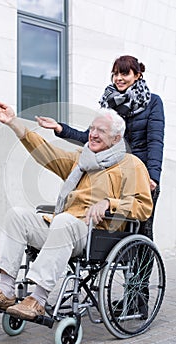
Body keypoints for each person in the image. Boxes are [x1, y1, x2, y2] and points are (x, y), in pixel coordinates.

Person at [0, 102, 153, 321]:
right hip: (62, 227)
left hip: (96, 234)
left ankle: (38, 299)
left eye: (100, 131)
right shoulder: (81, 160)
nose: (92, 134)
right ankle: (6, 291)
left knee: (64, 221)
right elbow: (47, 153)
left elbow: (143, 206)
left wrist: (110, 203)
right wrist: (14, 123)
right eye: (92, 128)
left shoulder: (131, 164)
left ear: (116, 139)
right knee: (17, 215)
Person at [36, 55, 165, 240]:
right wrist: (60, 128)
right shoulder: (109, 103)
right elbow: (88, 137)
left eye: (124, 73)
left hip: (139, 174)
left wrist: (152, 177)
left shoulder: (152, 102)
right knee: (107, 224)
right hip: (112, 172)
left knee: (141, 231)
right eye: (115, 74)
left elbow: (155, 141)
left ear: (137, 75)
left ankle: (142, 269)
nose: (118, 78)